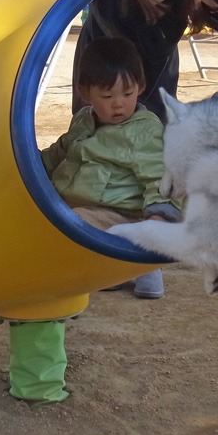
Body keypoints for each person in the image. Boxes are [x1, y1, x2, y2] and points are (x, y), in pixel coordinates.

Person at [44, 36, 182, 299]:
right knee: (51, 217)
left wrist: (159, 218)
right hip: (83, 203)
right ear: (85, 94)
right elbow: (60, 151)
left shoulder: (143, 131)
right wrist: (34, 166)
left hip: (121, 213)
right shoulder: (84, 120)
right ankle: (118, 266)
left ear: (140, 87)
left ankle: (142, 259)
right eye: (107, 96)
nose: (118, 103)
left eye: (127, 94)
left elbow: (159, 175)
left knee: (75, 224)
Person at [73, 0, 218, 122]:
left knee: (154, 128)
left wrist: (212, 2)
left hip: (157, 89)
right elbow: (139, 41)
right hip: (104, 79)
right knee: (99, 129)